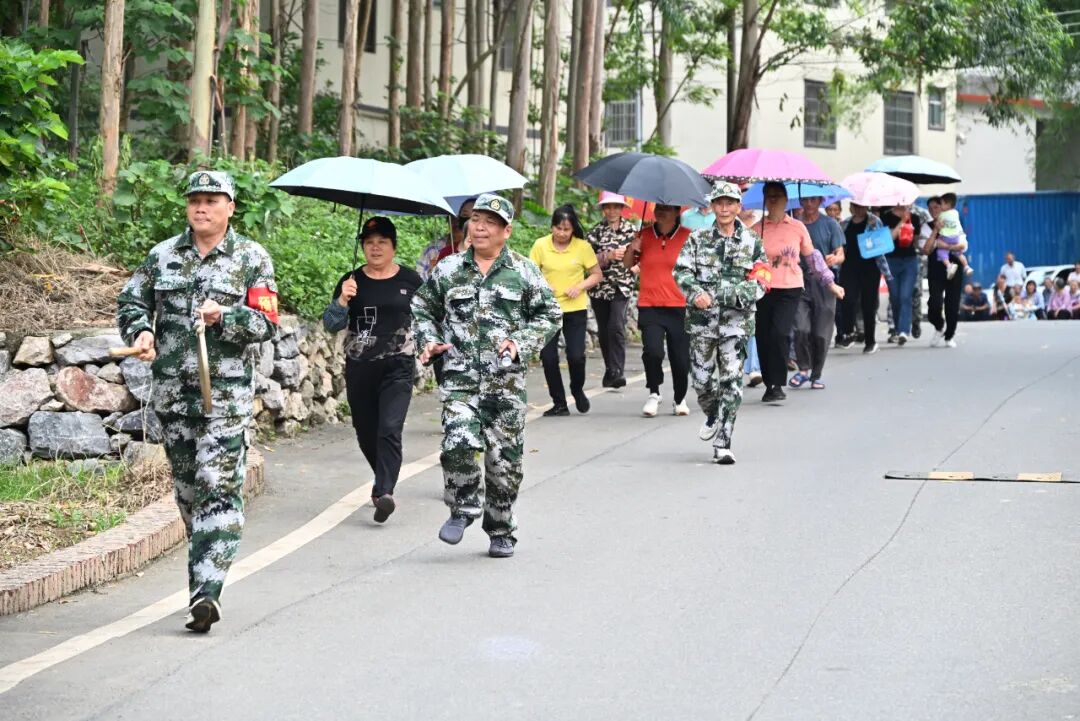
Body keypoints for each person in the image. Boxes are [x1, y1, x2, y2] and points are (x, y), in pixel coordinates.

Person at [116, 171, 278, 633]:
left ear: (230, 207)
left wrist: (225, 315)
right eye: (194, 200)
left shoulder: (251, 259)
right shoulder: (163, 255)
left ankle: (206, 593)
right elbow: (131, 303)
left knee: (217, 485)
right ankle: (203, 572)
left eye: (211, 200)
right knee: (189, 495)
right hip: (174, 398)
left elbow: (267, 324)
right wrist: (141, 333)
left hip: (224, 399)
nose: (201, 208)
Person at [412, 193, 561, 558]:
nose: (479, 227)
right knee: (458, 442)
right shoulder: (449, 270)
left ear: (506, 231)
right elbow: (422, 308)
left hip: (505, 385)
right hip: (460, 380)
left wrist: (519, 342)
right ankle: (463, 507)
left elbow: (550, 315)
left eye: (490, 223)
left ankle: (501, 529)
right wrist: (429, 340)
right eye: (476, 220)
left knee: (503, 464)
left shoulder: (524, 271)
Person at [322, 217, 422, 525]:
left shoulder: (410, 280)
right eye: (369, 243)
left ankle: (384, 492)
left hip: (399, 366)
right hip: (361, 366)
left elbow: (431, 316)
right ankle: (382, 477)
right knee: (366, 431)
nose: (375, 248)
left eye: (382, 242)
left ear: (394, 246)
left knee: (389, 427)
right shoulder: (351, 281)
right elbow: (331, 324)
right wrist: (342, 299)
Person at [674, 182, 767, 464]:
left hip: (736, 324)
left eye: (730, 203)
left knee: (731, 382)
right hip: (702, 322)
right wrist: (695, 293)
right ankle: (713, 413)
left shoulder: (753, 241)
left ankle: (723, 443)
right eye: (719, 203)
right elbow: (681, 272)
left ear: (739, 206)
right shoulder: (697, 238)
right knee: (701, 381)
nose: (724, 208)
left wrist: (736, 294)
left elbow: (763, 279)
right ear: (713, 206)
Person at [751, 183, 843, 402]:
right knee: (763, 336)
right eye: (769, 196)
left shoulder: (797, 227)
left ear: (786, 199)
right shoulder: (755, 229)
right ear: (764, 200)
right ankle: (769, 383)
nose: (773, 200)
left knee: (780, 333)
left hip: (790, 288)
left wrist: (830, 283)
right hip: (762, 289)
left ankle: (777, 383)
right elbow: (745, 261)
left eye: (778, 196)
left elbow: (813, 258)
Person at [530, 205, 602, 416]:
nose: (561, 233)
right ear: (552, 227)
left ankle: (577, 389)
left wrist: (579, 286)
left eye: (566, 229)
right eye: (558, 228)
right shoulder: (540, 245)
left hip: (575, 309)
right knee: (548, 357)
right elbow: (530, 274)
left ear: (573, 229)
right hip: (547, 310)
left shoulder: (582, 247)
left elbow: (597, 275)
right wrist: (543, 284)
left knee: (576, 356)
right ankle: (559, 403)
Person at [624, 202, 693, 417]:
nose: (661, 212)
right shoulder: (643, 235)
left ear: (677, 212)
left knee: (680, 359)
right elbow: (628, 265)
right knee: (652, 352)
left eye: (667, 208)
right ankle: (654, 392)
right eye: (658, 208)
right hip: (650, 304)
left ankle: (679, 398)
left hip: (680, 305)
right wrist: (632, 248)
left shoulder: (688, 237)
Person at [790, 195, 844, 390]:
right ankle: (804, 369)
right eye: (805, 200)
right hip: (799, 280)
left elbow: (841, 254)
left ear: (821, 201)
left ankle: (816, 375)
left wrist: (834, 259)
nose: (809, 204)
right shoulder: (794, 225)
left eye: (814, 200)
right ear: (800, 202)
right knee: (800, 328)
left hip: (824, 282)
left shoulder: (830, 224)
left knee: (821, 334)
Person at [586, 192, 638, 389]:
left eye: (616, 206)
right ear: (603, 209)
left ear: (622, 208)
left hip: (622, 286)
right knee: (604, 329)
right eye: (608, 207)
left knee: (616, 325)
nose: (612, 211)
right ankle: (610, 369)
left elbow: (643, 256)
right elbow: (586, 261)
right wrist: (607, 256)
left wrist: (636, 266)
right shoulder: (595, 232)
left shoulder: (633, 231)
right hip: (600, 287)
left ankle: (617, 371)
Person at [836, 203, 891, 353]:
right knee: (848, 299)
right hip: (849, 267)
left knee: (868, 304)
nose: (859, 209)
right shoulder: (845, 223)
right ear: (851, 207)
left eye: (862, 207)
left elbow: (883, 244)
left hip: (870, 267)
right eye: (856, 206)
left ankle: (870, 341)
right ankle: (849, 332)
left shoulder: (874, 221)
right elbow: (839, 245)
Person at [923, 213, 967, 347]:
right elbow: (926, 249)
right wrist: (936, 231)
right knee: (934, 303)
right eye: (931, 208)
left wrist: (945, 246)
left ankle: (949, 335)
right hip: (936, 269)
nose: (933, 211)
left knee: (952, 303)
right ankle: (939, 325)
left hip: (954, 267)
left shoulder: (955, 224)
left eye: (937, 207)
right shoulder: (927, 226)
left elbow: (963, 246)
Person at [882, 204, 923, 345]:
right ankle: (899, 328)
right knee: (895, 296)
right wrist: (902, 222)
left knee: (905, 295)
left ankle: (904, 331)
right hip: (891, 260)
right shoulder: (886, 216)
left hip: (909, 261)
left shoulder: (915, 218)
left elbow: (916, 241)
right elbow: (889, 238)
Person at [416, 198, 477, 282]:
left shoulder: (489, 252)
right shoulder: (443, 252)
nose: (455, 222)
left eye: (474, 217)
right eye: (464, 215)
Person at [932, 193, 971, 280]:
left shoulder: (942, 215)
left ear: (948, 204)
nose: (940, 206)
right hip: (955, 237)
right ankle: (967, 267)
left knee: (941, 252)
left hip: (945, 237)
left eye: (941, 204)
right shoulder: (956, 213)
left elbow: (938, 224)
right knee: (959, 254)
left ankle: (949, 265)